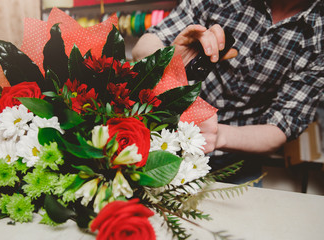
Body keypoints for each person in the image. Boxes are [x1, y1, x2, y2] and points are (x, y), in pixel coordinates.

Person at [132, 0, 324, 184]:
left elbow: (283, 124)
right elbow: (142, 49)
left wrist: (216, 135)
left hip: (238, 161)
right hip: (167, 138)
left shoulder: (319, 36)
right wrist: (167, 60)